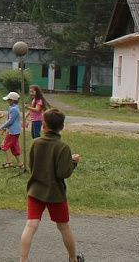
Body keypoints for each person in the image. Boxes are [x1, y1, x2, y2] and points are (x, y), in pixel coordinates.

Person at [19, 110, 83, 262]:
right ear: (61, 127)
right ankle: (73, 259)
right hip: (55, 193)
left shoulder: (35, 143)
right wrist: (73, 162)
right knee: (64, 227)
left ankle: (23, 259)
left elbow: (31, 165)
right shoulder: (63, 147)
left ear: (44, 125)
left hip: (35, 191)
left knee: (31, 225)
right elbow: (63, 173)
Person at [0, 92, 23, 169]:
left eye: (8, 100)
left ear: (12, 100)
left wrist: (1, 127)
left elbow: (10, 121)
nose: (7, 101)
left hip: (13, 132)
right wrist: (5, 128)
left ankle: (8, 162)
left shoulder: (14, 109)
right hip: (14, 131)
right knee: (14, 147)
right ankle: (20, 163)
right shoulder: (14, 107)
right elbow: (10, 120)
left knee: (4, 145)